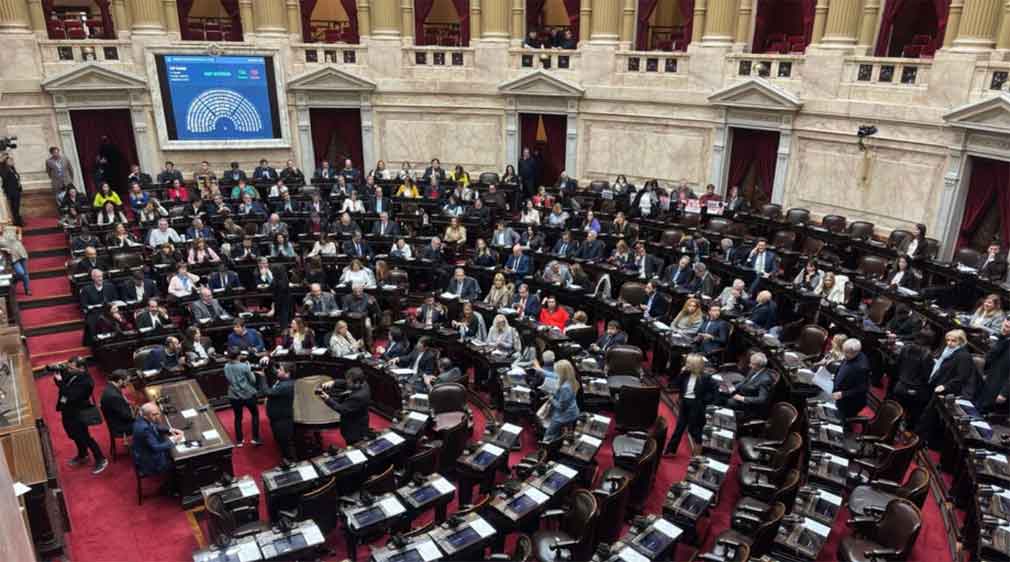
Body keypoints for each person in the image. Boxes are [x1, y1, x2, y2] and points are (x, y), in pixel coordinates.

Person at [916, 329, 975, 447]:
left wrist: (945, 386)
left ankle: (922, 441)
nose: (949, 343)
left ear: (961, 341)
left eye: (953, 341)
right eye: (947, 340)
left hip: (948, 391)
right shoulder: (949, 350)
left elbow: (961, 377)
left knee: (930, 417)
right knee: (926, 413)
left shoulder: (964, 356)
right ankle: (919, 438)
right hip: (938, 385)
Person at [54, 357, 108, 474]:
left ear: (81, 368)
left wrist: (60, 382)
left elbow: (70, 395)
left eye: (71, 368)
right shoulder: (73, 373)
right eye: (68, 367)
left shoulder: (86, 382)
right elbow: (64, 384)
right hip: (67, 410)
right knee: (73, 434)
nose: (68, 370)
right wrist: (58, 371)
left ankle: (101, 458)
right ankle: (83, 454)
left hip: (78, 412)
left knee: (84, 436)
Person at [664, 353, 719, 457]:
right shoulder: (685, 374)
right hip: (685, 403)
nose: (686, 364)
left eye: (688, 363)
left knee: (694, 430)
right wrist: (681, 373)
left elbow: (715, 390)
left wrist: (706, 401)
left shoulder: (705, 377)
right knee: (679, 427)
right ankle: (670, 451)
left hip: (696, 406)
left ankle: (697, 455)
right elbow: (674, 384)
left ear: (694, 365)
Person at [891, 329, 935, 427]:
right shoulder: (927, 355)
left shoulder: (906, 348)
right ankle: (908, 428)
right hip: (914, 390)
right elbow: (926, 376)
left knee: (896, 412)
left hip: (900, 385)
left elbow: (897, 364)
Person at [132, 402, 184, 480]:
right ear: (145, 416)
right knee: (180, 462)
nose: (158, 416)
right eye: (154, 414)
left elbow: (154, 426)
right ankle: (174, 483)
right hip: (151, 462)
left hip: (144, 452)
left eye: (158, 413)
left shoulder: (141, 419)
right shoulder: (144, 429)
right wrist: (174, 440)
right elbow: (156, 448)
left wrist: (170, 430)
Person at [319, 367, 371, 445]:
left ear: (357, 382)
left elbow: (342, 409)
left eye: (349, 382)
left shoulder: (359, 396)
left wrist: (327, 399)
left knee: (353, 444)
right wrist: (333, 382)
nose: (347, 383)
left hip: (354, 428)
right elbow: (346, 383)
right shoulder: (363, 383)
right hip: (357, 419)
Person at [224, 351, 261, 446]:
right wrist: (249, 369)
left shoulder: (226, 366)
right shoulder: (244, 366)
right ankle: (255, 439)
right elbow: (253, 380)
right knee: (255, 415)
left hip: (234, 395)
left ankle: (239, 441)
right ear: (238, 356)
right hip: (248, 394)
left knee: (238, 417)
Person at [832, 339, 870, 425]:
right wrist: (836, 376)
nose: (844, 355)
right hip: (841, 395)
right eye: (844, 351)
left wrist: (843, 394)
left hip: (850, 402)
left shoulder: (862, 368)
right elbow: (843, 365)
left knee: (841, 422)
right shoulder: (851, 355)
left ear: (856, 352)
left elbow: (862, 388)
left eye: (847, 353)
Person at [978, 320, 1010, 417]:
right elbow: (991, 357)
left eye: (1008, 327)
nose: (1004, 328)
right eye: (1004, 325)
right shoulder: (1004, 339)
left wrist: (1004, 393)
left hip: (1000, 386)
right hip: (991, 378)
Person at [264, 362, 295, 461]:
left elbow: (267, 392)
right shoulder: (282, 381)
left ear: (287, 373)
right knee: (281, 441)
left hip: (282, 420)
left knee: (285, 443)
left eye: (280, 369)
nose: (277, 371)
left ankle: (290, 462)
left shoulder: (286, 385)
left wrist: (262, 377)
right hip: (277, 418)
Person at [543, 360, 580, 442]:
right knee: (565, 434)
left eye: (557, 371)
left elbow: (561, 407)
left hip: (563, 416)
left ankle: (548, 448)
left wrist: (550, 398)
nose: (555, 373)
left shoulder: (565, 387)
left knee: (548, 436)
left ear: (562, 373)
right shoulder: (573, 381)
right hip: (573, 412)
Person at [100, 370, 135, 439]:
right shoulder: (114, 396)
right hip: (121, 427)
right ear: (120, 381)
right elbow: (128, 416)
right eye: (127, 381)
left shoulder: (111, 387)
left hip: (117, 420)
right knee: (148, 422)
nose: (128, 383)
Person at [0, 153, 23, 225]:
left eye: (12, 161)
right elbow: (4, 177)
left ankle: (18, 220)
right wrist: (2, 160)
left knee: (17, 207)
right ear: (6, 162)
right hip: (10, 191)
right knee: (14, 207)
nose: (12, 162)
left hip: (17, 190)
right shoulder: (4, 170)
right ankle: (17, 221)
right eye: (10, 161)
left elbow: (16, 178)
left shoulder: (13, 169)